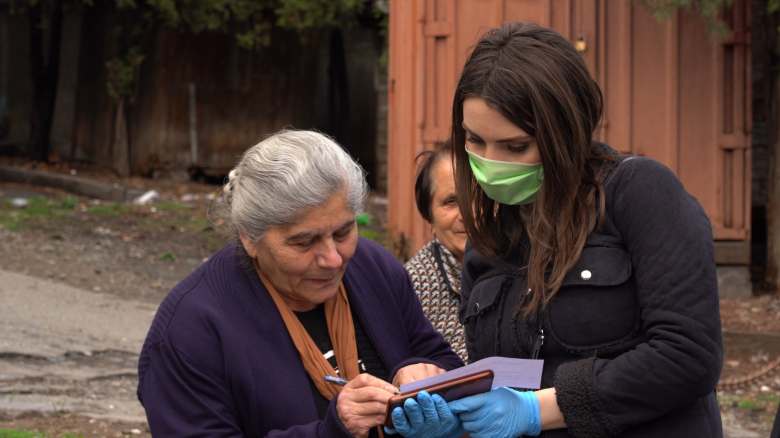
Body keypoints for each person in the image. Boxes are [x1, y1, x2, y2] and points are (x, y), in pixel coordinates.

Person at [390, 22, 723, 438]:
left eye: (515, 146)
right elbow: (512, 375)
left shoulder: (638, 193)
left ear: (565, 133)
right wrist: (455, 408)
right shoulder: (488, 240)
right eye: (475, 141)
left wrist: (538, 409)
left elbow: (687, 356)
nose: (492, 162)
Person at [136, 130, 463, 437]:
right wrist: (333, 430)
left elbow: (436, 355)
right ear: (250, 238)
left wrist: (420, 372)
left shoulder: (373, 267)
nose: (333, 259)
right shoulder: (190, 332)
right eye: (304, 242)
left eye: (343, 232)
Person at [404, 143, 468, 362]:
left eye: (477, 197)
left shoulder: (524, 269)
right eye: (451, 201)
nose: (466, 214)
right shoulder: (414, 285)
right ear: (429, 216)